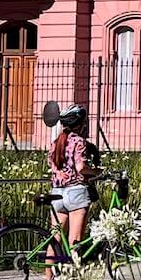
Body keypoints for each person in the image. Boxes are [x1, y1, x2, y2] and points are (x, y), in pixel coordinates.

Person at [47, 105, 95, 255]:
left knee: (55, 240)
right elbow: (81, 167)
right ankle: (74, 278)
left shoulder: (55, 142)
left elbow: (51, 165)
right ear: (80, 124)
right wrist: (96, 171)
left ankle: (49, 278)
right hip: (76, 193)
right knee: (75, 242)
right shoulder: (79, 141)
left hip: (57, 194)